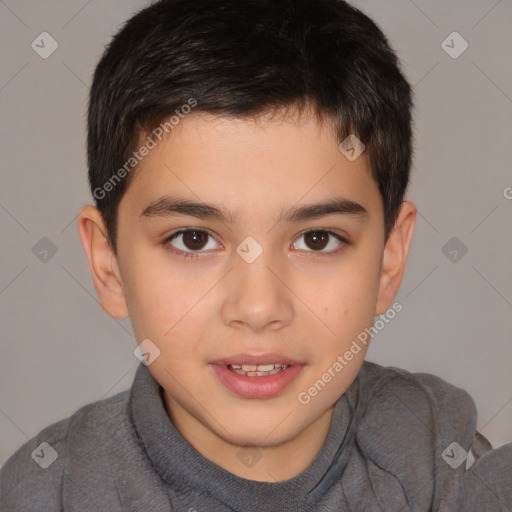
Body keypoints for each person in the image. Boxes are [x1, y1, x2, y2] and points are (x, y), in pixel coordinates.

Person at [1, 0, 510, 510]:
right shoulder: (48, 492)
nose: (259, 307)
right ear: (108, 263)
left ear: (388, 260)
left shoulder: (446, 468)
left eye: (317, 239)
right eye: (193, 239)